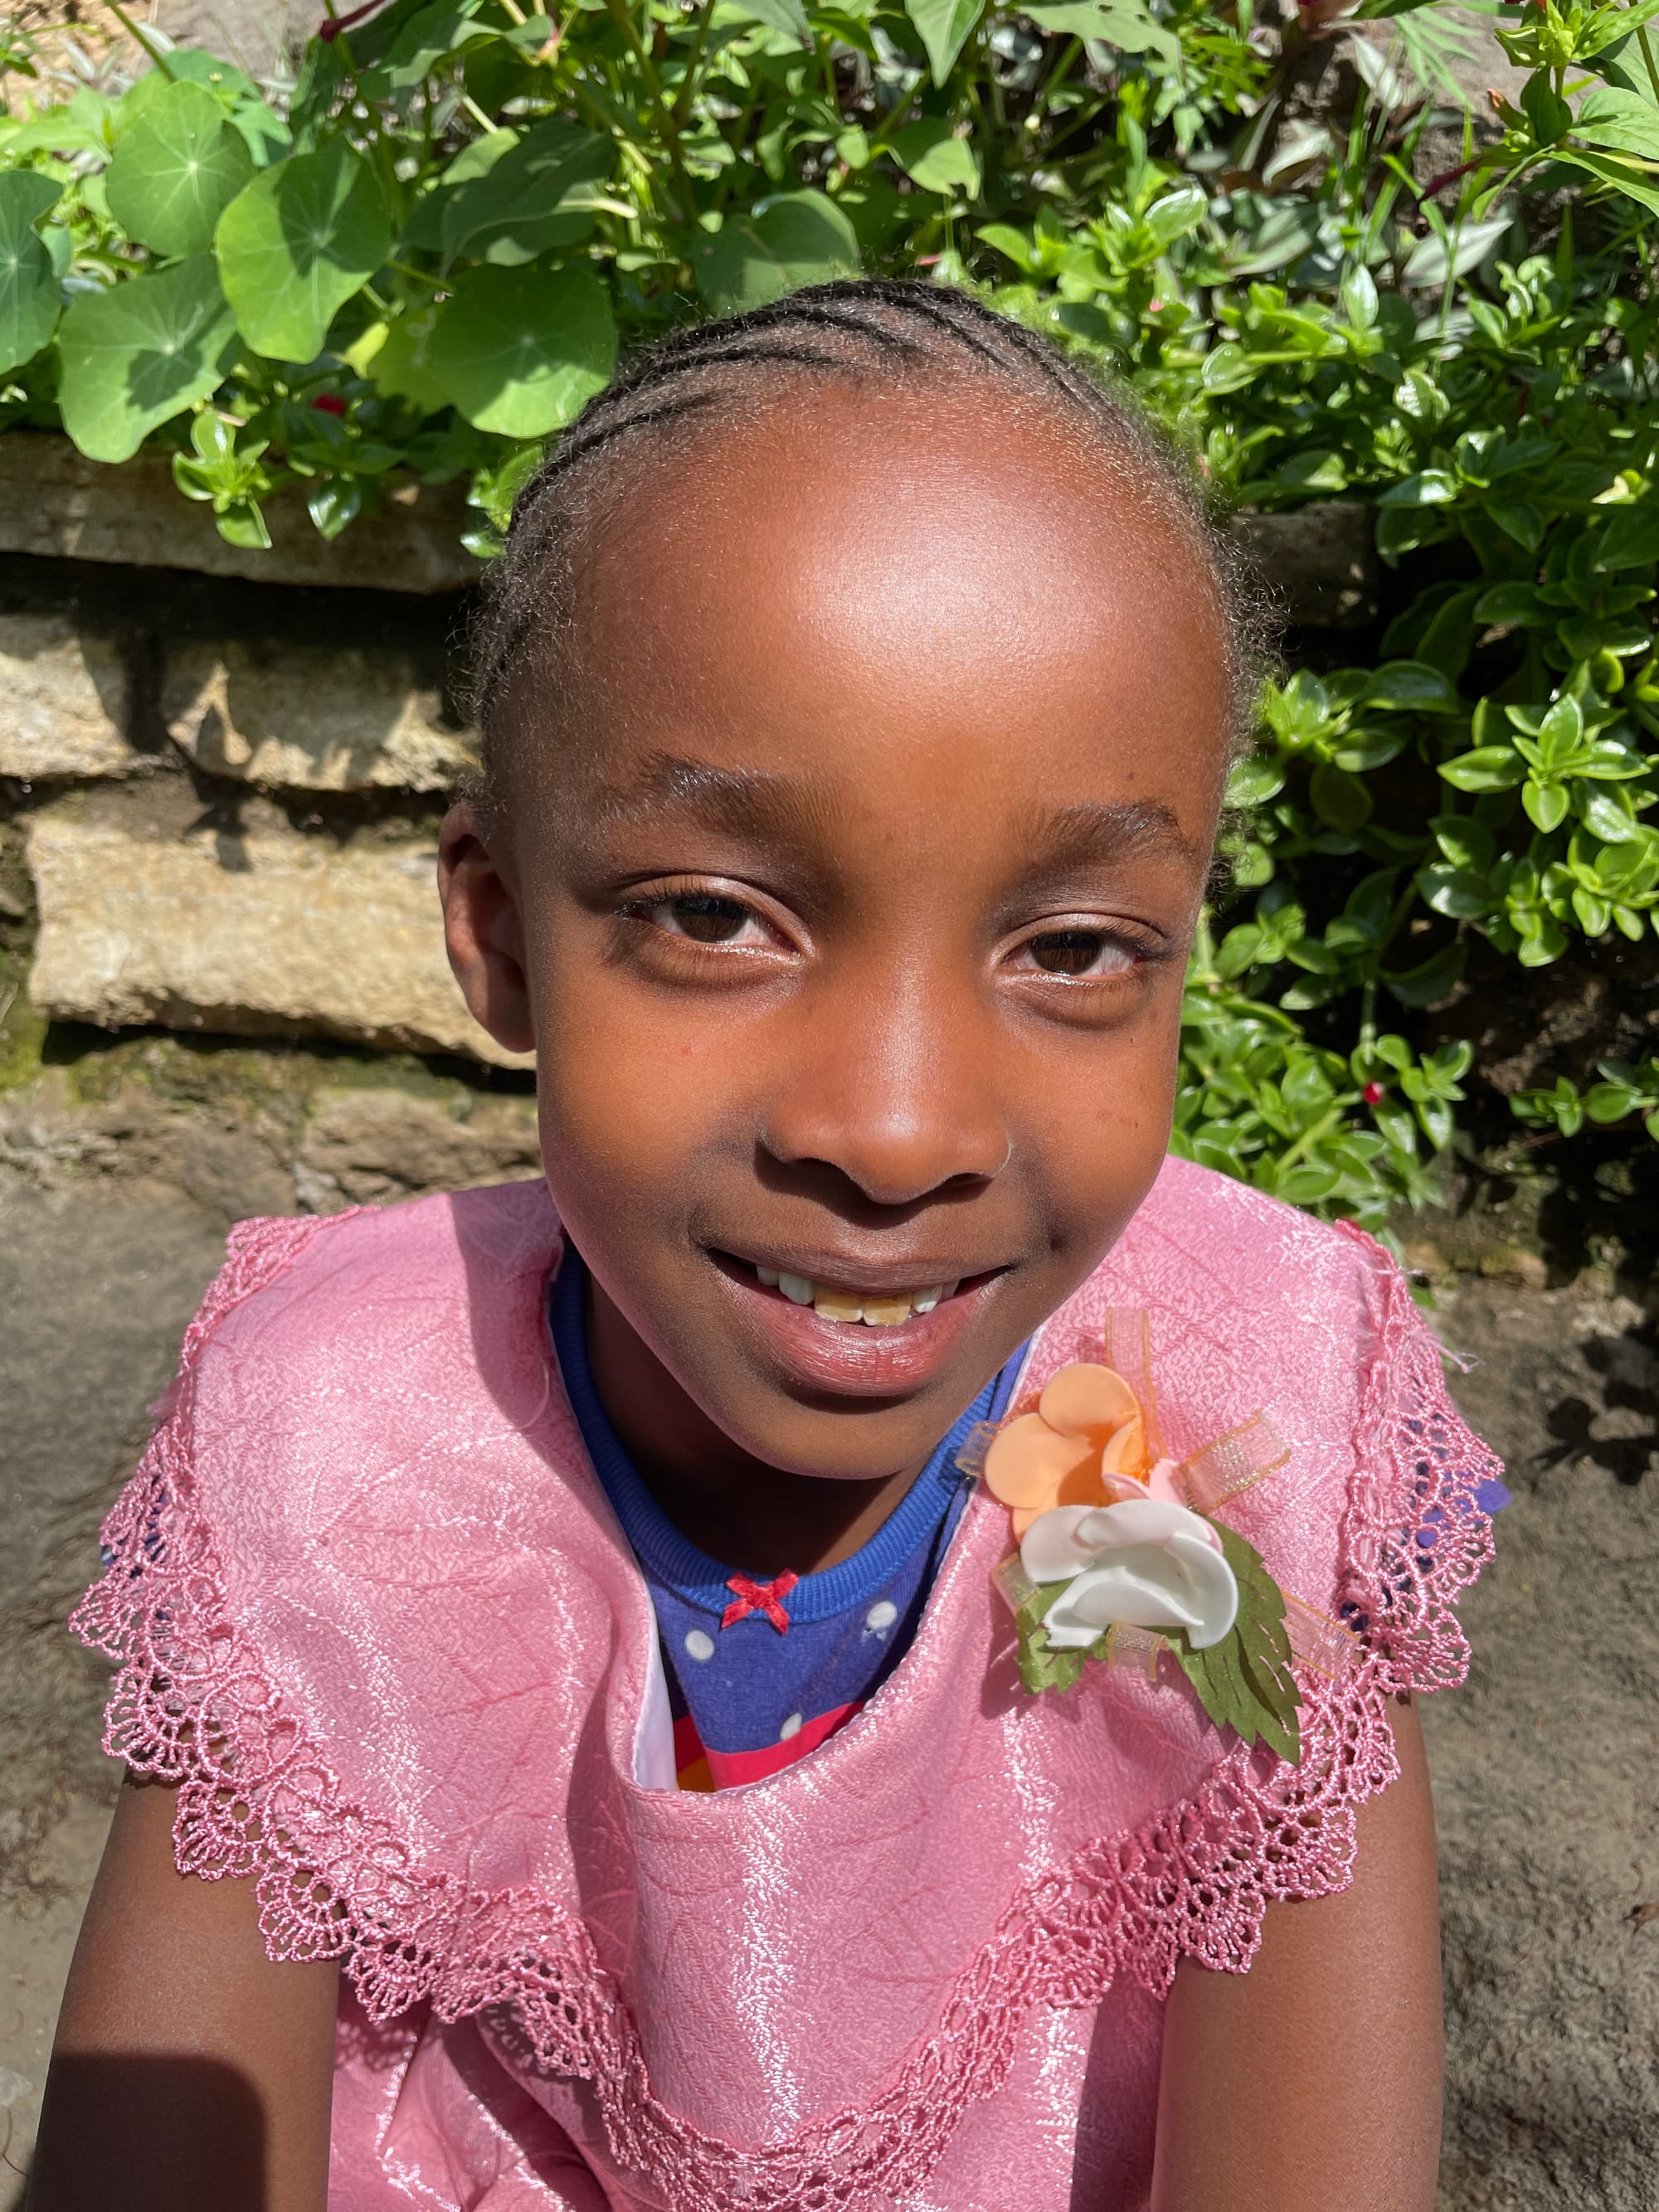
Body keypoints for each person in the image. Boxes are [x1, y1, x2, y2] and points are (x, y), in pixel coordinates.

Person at [32, 280, 1503, 2212]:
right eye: (717, 916)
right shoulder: (337, 1430)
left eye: (1073, 946)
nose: (894, 1131)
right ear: (497, 931)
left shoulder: (1267, 1420)